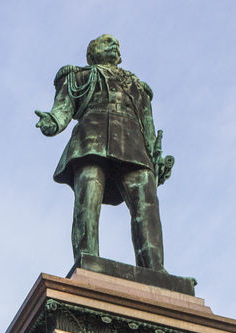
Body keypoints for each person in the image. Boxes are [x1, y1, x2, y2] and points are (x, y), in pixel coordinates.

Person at [36, 34, 174, 269]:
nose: (114, 45)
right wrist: (52, 122)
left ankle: (155, 270)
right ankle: (88, 259)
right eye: (107, 41)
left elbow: (147, 126)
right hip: (91, 140)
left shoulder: (137, 86)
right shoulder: (77, 76)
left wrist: (156, 158)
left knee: (147, 202)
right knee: (87, 198)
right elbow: (62, 109)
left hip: (134, 145)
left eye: (117, 44)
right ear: (91, 54)